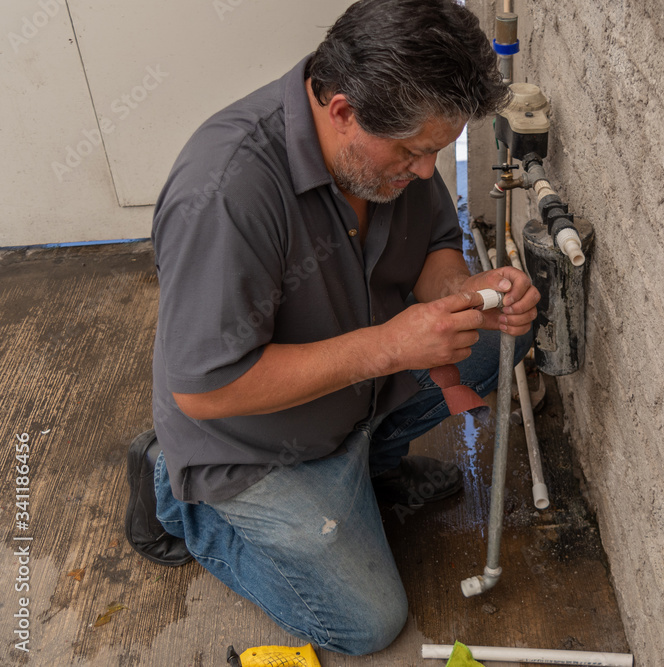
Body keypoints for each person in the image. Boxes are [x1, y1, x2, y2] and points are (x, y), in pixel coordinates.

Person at [123, 0, 539, 655]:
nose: (426, 171)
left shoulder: (392, 142)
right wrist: (394, 345)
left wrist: (465, 294)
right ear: (342, 110)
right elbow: (207, 390)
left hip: (353, 392)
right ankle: (178, 499)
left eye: (438, 151)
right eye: (413, 152)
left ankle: (366, 464)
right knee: (367, 621)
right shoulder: (228, 190)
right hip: (248, 442)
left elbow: (435, 239)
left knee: (498, 343)